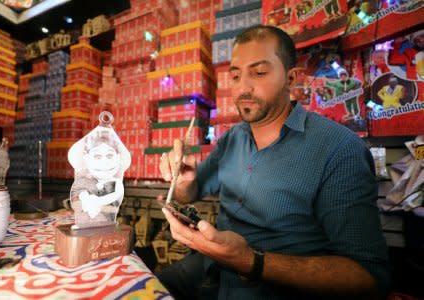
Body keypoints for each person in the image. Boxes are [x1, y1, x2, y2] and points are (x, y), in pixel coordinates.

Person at [158, 25, 389, 300]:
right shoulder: (232, 139)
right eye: (235, 75)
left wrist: (249, 261)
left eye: (259, 73)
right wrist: (183, 181)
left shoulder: (338, 149)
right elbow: (191, 192)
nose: (243, 87)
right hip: (208, 269)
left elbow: (368, 277)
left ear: (290, 78)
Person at [68, 118, 131, 229]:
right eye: (97, 156)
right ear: (86, 159)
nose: (104, 162)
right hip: (83, 227)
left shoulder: (116, 183)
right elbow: (76, 200)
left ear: (118, 158)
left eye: (109, 156)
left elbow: (115, 200)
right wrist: (85, 198)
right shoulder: (83, 180)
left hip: (105, 227)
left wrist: (98, 201)